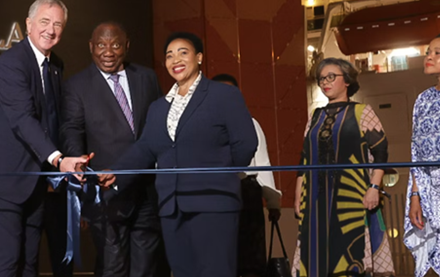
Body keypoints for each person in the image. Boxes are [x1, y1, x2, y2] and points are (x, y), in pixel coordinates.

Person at [99, 31, 258, 277]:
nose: (176, 60)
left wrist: (221, 175)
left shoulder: (223, 95)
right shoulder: (159, 107)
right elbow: (145, 148)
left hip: (213, 203)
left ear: (200, 57)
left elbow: (245, 143)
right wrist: (117, 173)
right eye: (169, 56)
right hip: (172, 207)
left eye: (183, 52)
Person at [0, 0, 90, 277]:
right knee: (6, 264)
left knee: (29, 264)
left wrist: (67, 159)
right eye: (44, 22)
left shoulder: (55, 65)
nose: (51, 30)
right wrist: (59, 160)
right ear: (28, 24)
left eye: (58, 24)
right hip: (3, 181)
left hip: (35, 183)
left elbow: (53, 120)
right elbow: (23, 120)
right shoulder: (11, 63)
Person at [60, 22, 165, 277]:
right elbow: (72, 129)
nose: (108, 51)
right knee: (113, 267)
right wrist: (78, 158)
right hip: (106, 192)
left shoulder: (147, 77)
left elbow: (158, 127)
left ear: (126, 47)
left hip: (147, 190)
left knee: (146, 268)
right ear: (91, 47)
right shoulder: (77, 85)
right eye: (101, 45)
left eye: (116, 45)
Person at [292, 57, 395, 276]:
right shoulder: (315, 116)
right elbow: (304, 159)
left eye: (331, 77)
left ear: (346, 80)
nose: (325, 82)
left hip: (352, 198)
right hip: (314, 199)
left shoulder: (362, 111)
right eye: (321, 79)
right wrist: (297, 195)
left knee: (350, 256)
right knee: (314, 256)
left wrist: (374, 187)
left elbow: (381, 153)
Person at [211, 73, 281, 277]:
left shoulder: (250, 123)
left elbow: (263, 163)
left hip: (246, 192)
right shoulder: (201, 125)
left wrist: (273, 202)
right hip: (213, 193)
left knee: (250, 257)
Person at [405, 34, 440, 277]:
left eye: (437, 53)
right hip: (427, 188)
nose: (429, 57)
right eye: (428, 51)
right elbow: (415, 152)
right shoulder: (422, 99)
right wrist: (414, 195)